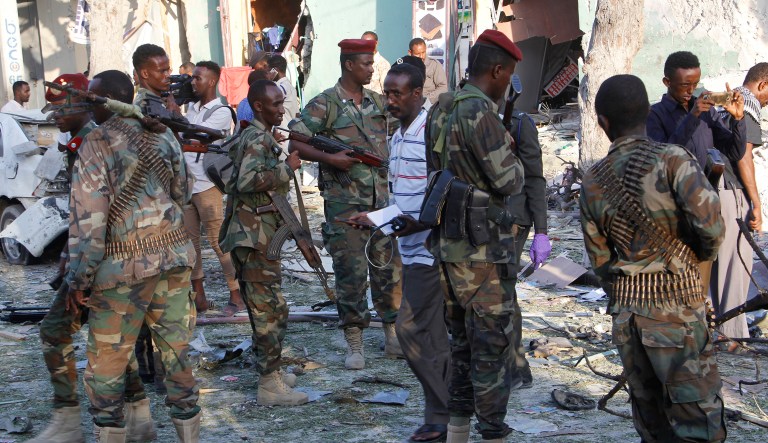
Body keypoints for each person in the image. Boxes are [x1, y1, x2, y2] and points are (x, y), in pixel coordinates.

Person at [580, 74, 727, 442]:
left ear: (602, 122)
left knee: (652, 424)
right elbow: (712, 230)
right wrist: (693, 264)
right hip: (677, 312)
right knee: (699, 425)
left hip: (628, 319)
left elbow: (600, 261)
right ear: (648, 112)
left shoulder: (593, 180)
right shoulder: (674, 160)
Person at [68, 52, 201, 442]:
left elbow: (88, 222)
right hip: (174, 259)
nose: (90, 106)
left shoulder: (96, 143)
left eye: (94, 99)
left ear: (108, 100)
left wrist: (80, 281)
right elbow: (183, 192)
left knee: (107, 366)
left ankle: (113, 432)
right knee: (177, 356)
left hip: (121, 269)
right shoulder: (162, 133)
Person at [29, 71, 153, 443]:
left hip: (104, 260)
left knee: (58, 332)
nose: (55, 116)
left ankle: (70, 421)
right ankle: (139, 416)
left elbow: (95, 212)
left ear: (84, 102)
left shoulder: (94, 142)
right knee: (114, 340)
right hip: (104, 256)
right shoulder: (83, 141)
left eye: (60, 107)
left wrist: (78, 266)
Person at [423, 29, 524, 443]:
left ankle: (457, 432)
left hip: (449, 245)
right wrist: (510, 146)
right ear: (497, 70)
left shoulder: (442, 108)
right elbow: (509, 179)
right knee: (492, 351)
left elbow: (437, 166)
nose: (508, 85)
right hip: (482, 252)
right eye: (509, 75)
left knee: (461, 346)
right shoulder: (481, 114)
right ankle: (494, 433)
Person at [288, 38, 403, 370]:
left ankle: (392, 335)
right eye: (367, 64)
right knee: (351, 273)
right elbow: (296, 141)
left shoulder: (379, 103)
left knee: (388, 271)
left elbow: (408, 126)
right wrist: (330, 158)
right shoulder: (325, 104)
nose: (372, 69)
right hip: (344, 205)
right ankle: (355, 342)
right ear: (350, 65)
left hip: (381, 202)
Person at [647, 51, 748, 348]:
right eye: (684, 86)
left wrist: (737, 122)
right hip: (677, 204)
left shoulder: (707, 111)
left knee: (715, 263)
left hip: (710, 197)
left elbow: (732, 150)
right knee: (685, 269)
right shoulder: (657, 115)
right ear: (667, 82)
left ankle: (720, 331)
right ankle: (686, 332)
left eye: (695, 84)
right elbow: (663, 155)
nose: (691, 91)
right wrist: (691, 118)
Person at [219, 79, 307, 406]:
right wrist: (286, 168)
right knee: (268, 309)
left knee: (271, 306)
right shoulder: (256, 139)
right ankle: (269, 384)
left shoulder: (258, 136)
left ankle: (272, 373)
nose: (281, 109)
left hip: (258, 233)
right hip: (253, 236)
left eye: (282, 103)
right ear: (258, 106)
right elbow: (245, 181)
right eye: (275, 104)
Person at [382, 63, 451, 443]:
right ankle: (439, 420)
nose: (389, 100)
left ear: (416, 93)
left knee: (408, 329)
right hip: (405, 245)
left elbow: (444, 192)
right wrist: (379, 219)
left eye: (397, 93)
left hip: (427, 249)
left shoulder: (430, 131)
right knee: (434, 338)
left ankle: (450, 407)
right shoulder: (398, 133)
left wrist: (418, 225)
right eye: (387, 92)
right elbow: (403, 192)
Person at [184, 60, 244, 316]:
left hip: (208, 185)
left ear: (211, 81)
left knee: (220, 243)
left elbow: (195, 135)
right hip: (186, 184)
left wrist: (176, 119)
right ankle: (199, 298)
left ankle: (236, 296)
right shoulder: (192, 108)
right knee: (190, 245)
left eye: (198, 78)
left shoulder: (221, 111)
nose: (192, 82)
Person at [408, 38, 448, 103]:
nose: (421, 56)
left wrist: (426, 100)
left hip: (429, 106)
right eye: (417, 54)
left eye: (423, 52)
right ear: (410, 53)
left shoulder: (434, 65)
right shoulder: (405, 67)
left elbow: (443, 88)